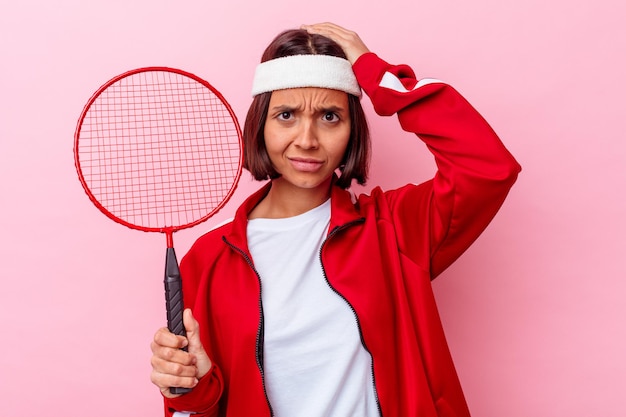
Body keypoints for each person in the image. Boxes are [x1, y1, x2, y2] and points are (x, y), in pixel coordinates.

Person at [149, 22, 521, 417]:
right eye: (286, 114)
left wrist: (376, 75)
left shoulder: (393, 229)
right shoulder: (208, 260)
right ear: (260, 123)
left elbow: (487, 168)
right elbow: (201, 409)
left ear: (352, 130)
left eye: (329, 116)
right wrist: (192, 392)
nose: (307, 139)